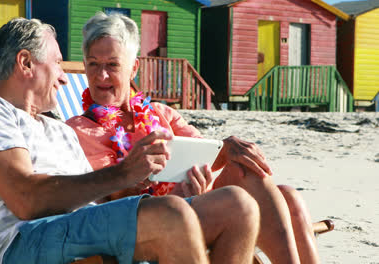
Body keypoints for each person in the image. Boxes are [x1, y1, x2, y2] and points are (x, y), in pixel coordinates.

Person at [0, 17, 261, 264]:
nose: (64, 77)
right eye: (57, 63)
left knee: (238, 206)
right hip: (25, 241)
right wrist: (123, 173)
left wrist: (143, 186)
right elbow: (27, 200)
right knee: (172, 215)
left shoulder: (58, 130)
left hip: (83, 228)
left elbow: (96, 200)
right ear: (26, 63)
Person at [66, 12, 320, 264]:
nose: (101, 76)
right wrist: (166, 192)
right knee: (240, 203)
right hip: (144, 225)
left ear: (133, 68)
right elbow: (110, 201)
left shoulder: (160, 113)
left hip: (195, 204)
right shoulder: (80, 130)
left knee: (284, 194)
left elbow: (208, 153)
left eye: (112, 64)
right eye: (93, 64)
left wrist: (229, 147)